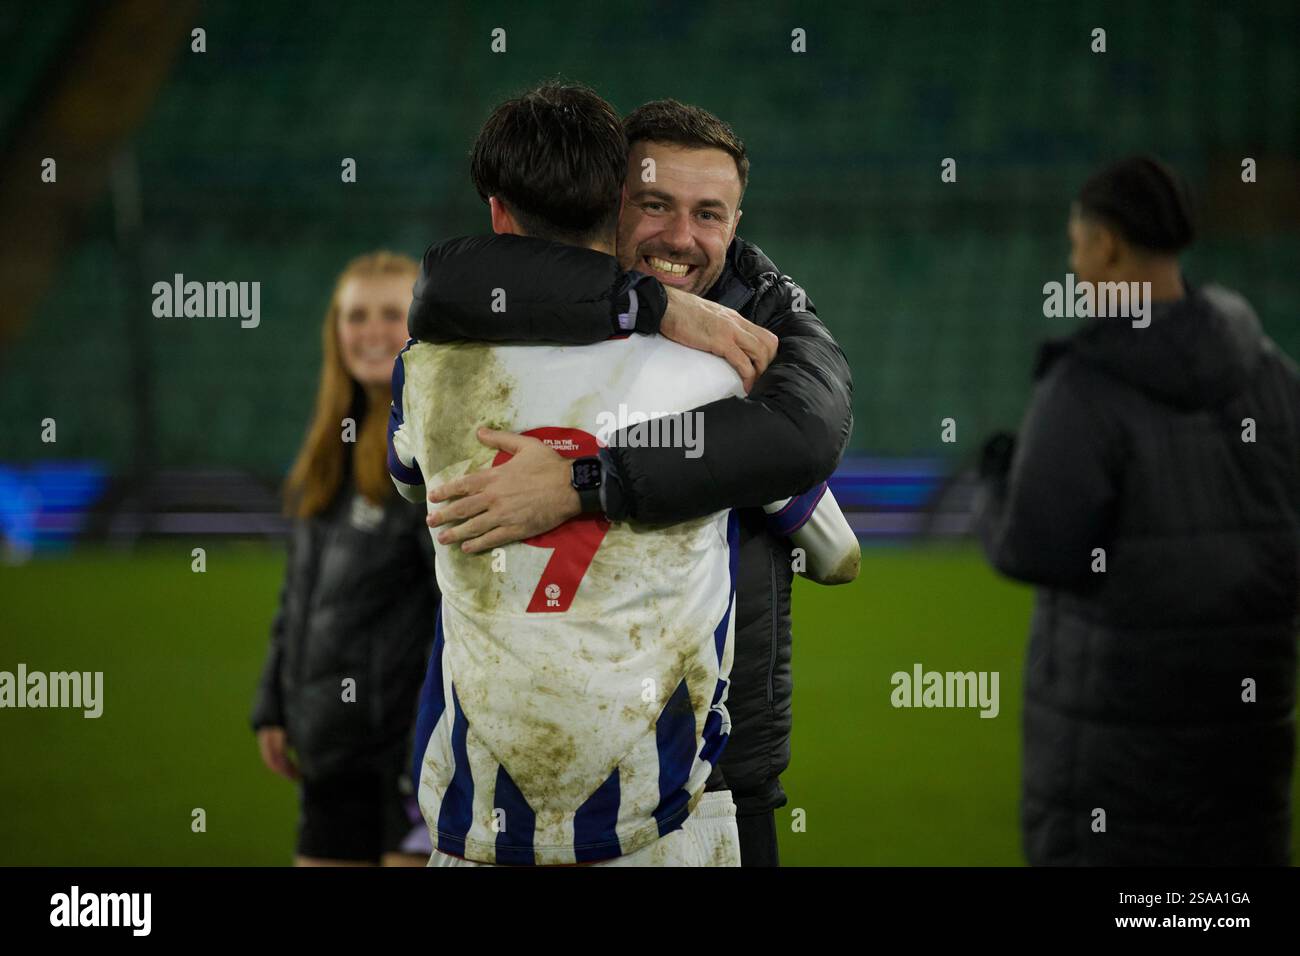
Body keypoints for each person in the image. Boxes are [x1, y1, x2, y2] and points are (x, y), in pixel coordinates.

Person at [403, 99, 857, 865]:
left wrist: (586, 480)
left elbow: (805, 431)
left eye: (709, 214)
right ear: (606, 205)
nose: (681, 237)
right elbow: (838, 553)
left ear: (738, 222)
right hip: (656, 797)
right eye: (654, 205)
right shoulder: (712, 375)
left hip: (720, 769)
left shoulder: (762, 334)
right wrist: (646, 308)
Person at [975, 155, 1300, 865]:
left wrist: (993, 488)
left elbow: (1038, 549)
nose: (1075, 265)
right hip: (1250, 745)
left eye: (1076, 245)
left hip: (1114, 756)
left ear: (1107, 244)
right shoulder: (1269, 366)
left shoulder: (1085, 386)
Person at [251, 251, 438, 867]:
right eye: (356, 315)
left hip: (407, 758)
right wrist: (275, 704)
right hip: (331, 749)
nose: (372, 331)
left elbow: (459, 612)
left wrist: (431, 744)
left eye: (392, 313)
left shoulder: (436, 446)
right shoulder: (330, 444)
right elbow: (299, 594)